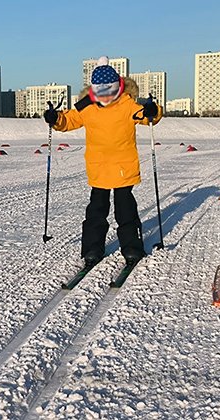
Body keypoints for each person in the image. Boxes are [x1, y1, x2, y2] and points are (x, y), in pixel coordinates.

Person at [44, 56, 162, 267]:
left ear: (117, 89)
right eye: (100, 93)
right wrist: (56, 118)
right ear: (94, 91)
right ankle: (92, 249)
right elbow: (69, 120)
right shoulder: (87, 108)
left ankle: (132, 248)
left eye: (110, 92)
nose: (105, 98)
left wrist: (154, 111)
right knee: (96, 211)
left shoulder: (127, 105)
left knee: (125, 210)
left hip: (123, 168)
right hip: (98, 168)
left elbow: (146, 115)